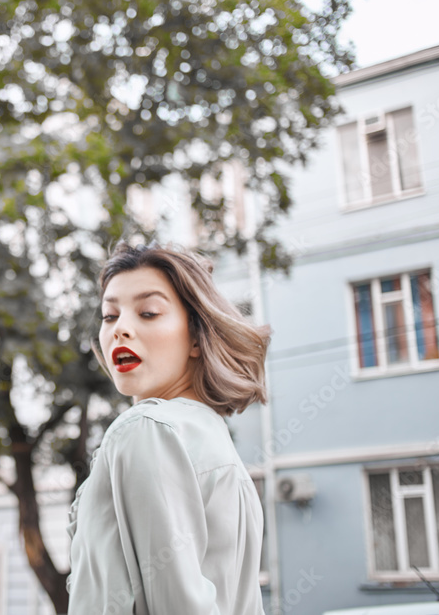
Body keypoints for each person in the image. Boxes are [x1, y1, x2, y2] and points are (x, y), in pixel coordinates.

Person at [67, 242, 270, 615]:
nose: (120, 329)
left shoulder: (147, 429)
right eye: (110, 316)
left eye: (148, 312)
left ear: (196, 336)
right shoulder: (211, 439)